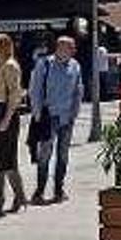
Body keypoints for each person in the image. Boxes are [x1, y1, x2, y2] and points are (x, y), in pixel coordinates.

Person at [28, 36, 83, 205]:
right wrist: (37, 113)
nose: (74, 51)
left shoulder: (75, 66)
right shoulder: (44, 64)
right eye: (70, 47)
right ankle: (39, 191)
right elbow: (35, 89)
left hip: (67, 118)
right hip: (48, 116)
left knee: (63, 156)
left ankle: (59, 189)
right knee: (44, 155)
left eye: (73, 48)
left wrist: (75, 112)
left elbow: (78, 90)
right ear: (60, 48)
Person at [0, 33, 28, 215]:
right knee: (0, 159)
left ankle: (9, 199)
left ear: (1, 47)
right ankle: (15, 198)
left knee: (5, 161)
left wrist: (6, 118)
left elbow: (15, 94)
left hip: (6, 111)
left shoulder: (10, 66)